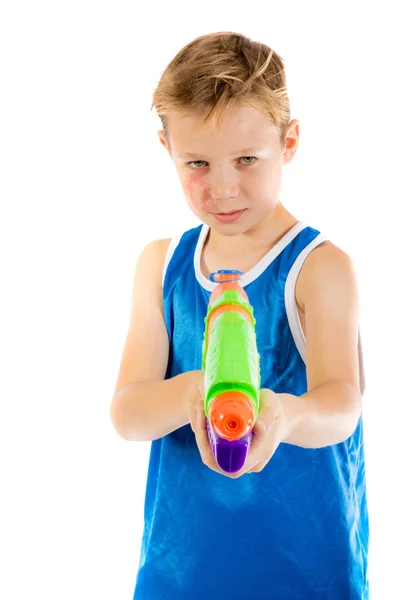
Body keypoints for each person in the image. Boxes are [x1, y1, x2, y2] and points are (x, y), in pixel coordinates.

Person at [109, 31, 369, 600]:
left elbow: (342, 404)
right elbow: (128, 412)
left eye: (247, 159)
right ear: (166, 150)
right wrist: (192, 393)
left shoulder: (319, 268)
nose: (222, 188)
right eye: (197, 162)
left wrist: (282, 414)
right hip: (180, 572)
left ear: (290, 141)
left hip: (306, 569)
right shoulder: (161, 265)